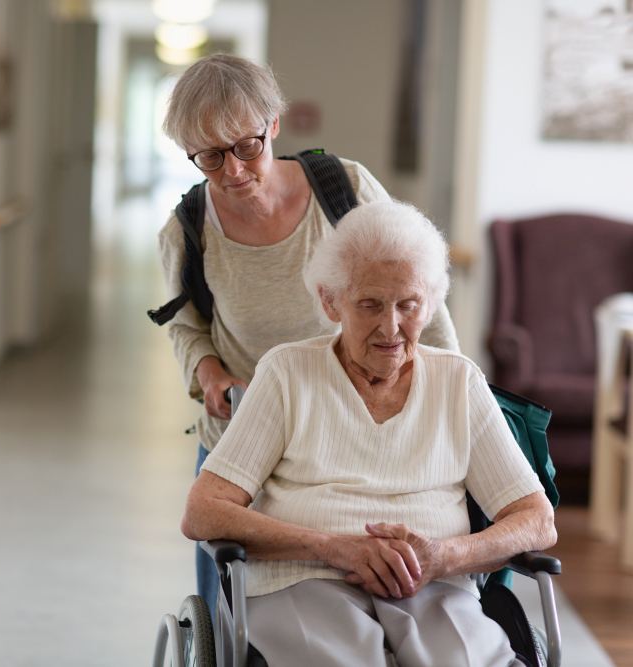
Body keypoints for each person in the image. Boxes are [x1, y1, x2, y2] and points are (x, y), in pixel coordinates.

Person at [180, 200, 557, 666]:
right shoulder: (286, 373)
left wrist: (444, 556)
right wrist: (333, 548)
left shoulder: (459, 382)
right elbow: (202, 511)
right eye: (370, 304)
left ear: (431, 302)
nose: (391, 326)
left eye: (409, 305)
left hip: (435, 587)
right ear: (330, 301)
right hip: (300, 581)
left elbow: (536, 519)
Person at [157, 52, 460, 618]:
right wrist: (209, 373)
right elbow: (184, 323)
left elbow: (416, 287)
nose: (235, 172)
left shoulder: (342, 190)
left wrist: (454, 391)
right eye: (210, 157)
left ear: (273, 124)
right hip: (246, 433)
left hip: (349, 428)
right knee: (229, 613)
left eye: (247, 146)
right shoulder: (187, 229)